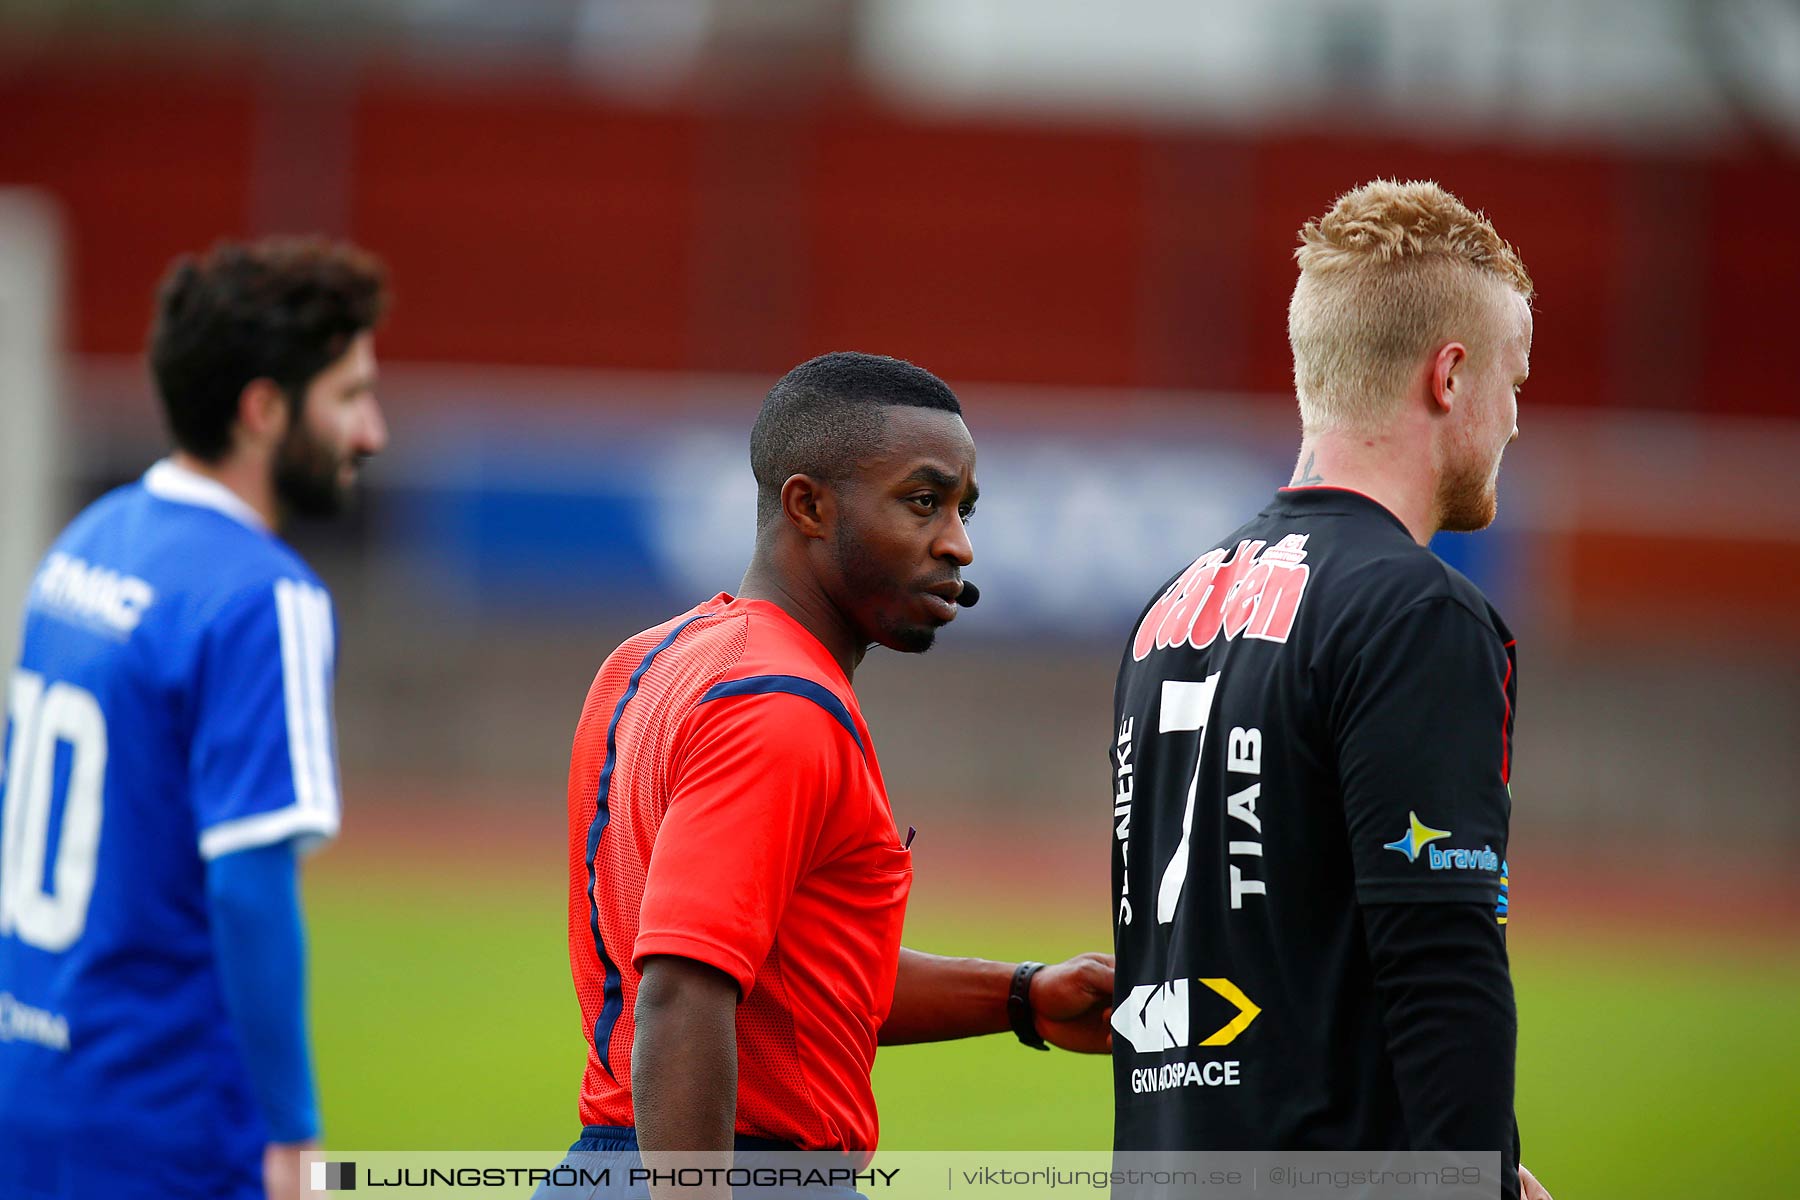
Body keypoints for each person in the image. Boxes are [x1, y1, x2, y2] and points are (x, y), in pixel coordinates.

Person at [555, 352, 1112, 1190]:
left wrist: (1022, 996)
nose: (957, 543)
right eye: (923, 502)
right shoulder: (780, 701)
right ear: (808, 505)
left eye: (963, 508)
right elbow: (681, 989)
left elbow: (799, 979)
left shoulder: (651, 659)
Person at [1108, 181, 1552, 1200]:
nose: (1517, 421)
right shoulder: (1417, 612)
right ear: (1451, 376)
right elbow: (1442, 954)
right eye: (1514, 383)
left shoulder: (1169, 607)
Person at [0, 238, 389, 1200]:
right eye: (348, 396)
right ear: (263, 410)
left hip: (29, 1086)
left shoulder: (87, 541)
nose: (373, 431)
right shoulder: (263, 596)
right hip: (163, 1122)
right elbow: (250, 881)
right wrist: (295, 1135)